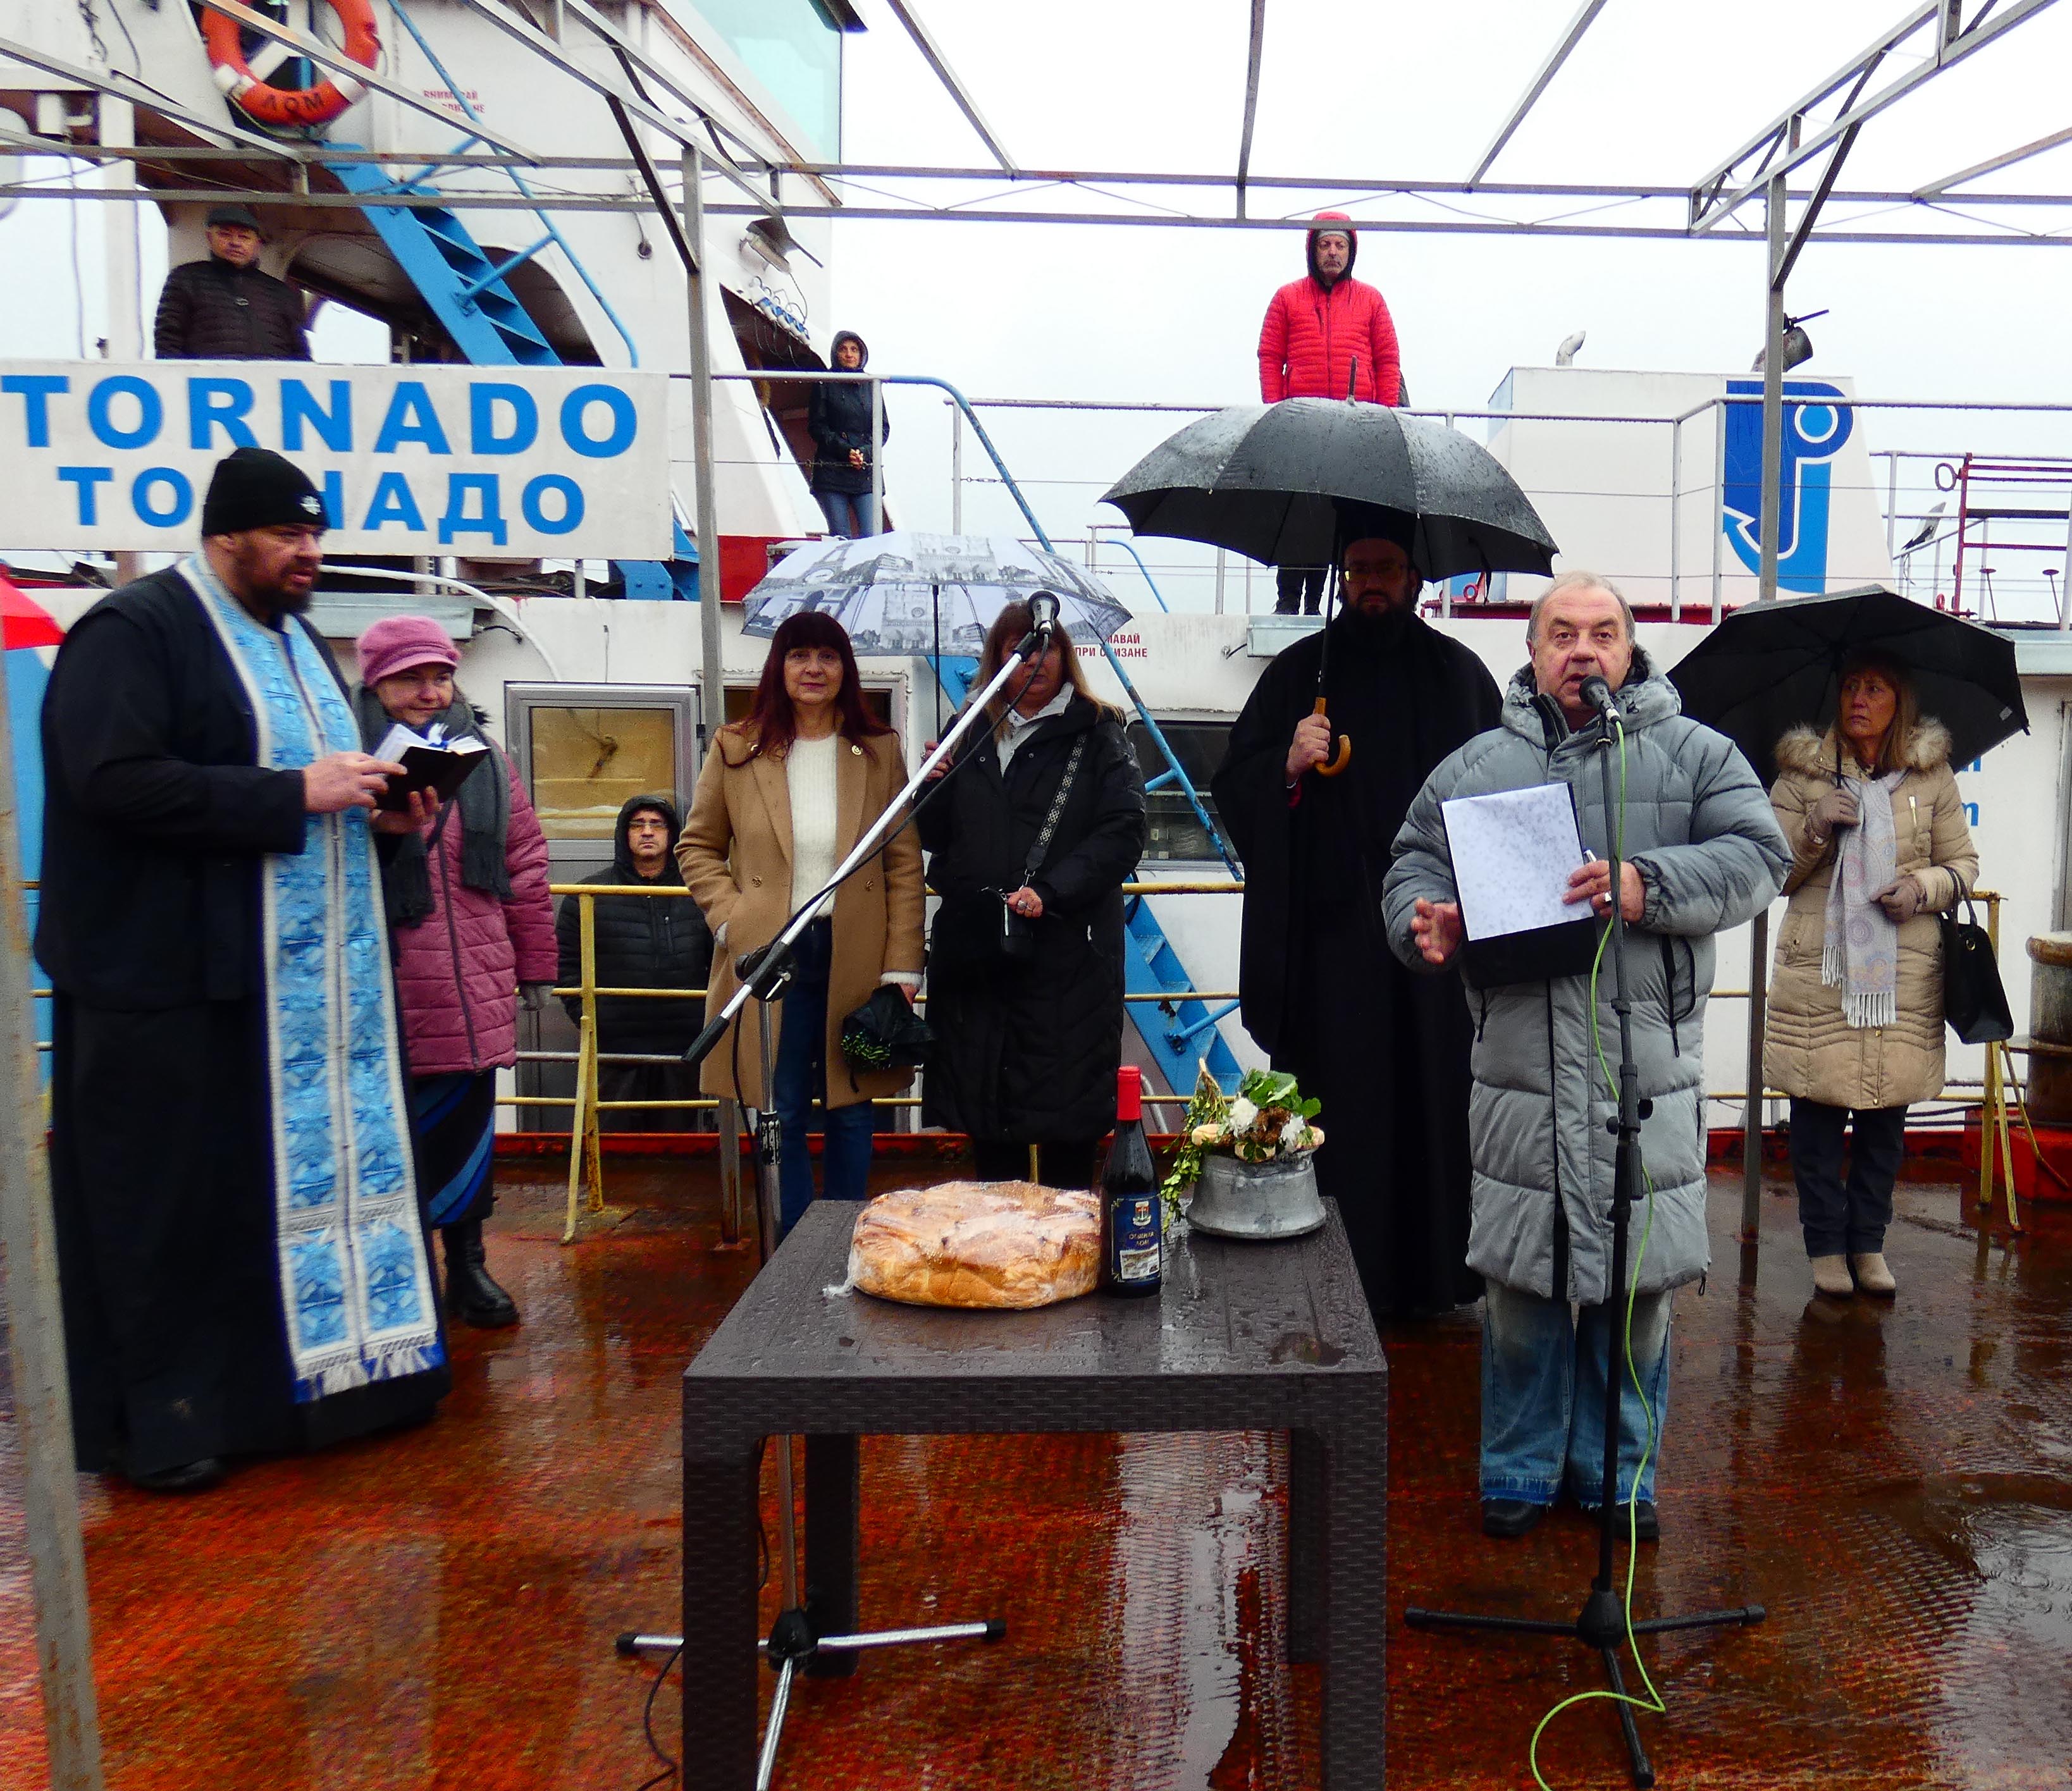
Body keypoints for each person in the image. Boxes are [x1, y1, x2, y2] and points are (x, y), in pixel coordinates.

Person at [40, 447, 448, 1492]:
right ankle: (170, 1422)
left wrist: (383, 817)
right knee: (168, 1214)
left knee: (258, 1201)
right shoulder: (131, 631)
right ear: (225, 534)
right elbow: (111, 782)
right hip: (169, 989)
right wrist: (291, 794)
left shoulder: (299, 639)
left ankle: (339, 1387)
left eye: (315, 535)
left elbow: (316, 795)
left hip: (292, 997)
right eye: (287, 536)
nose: (309, 553)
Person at [1385, 572, 1789, 1539]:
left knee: (1639, 1293)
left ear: (1629, 649)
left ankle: (1621, 1476)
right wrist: (1422, 920)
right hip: (1521, 1073)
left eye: (1602, 632)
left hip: (1648, 1074)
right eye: (1561, 633)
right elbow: (1413, 861)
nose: (1582, 650)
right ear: (1532, 653)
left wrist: (1649, 883)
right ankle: (1520, 1469)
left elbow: (1760, 857)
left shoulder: (1696, 754)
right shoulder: (1477, 765)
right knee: (1522, 1287)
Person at [1211, 529, 1501, 1319]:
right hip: (1332, 942)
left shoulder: (1460, 676)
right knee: (1344, 1110)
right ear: (1341, 578)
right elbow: (1236, 783)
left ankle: (1436, 1275)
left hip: (1434, 934)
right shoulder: (1299, 673)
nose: (1373, 583)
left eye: (1387, 570)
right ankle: (1336, 1268)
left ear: (1413, 578)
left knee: (1435, 1101)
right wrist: (1285, 764)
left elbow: (1500, 795)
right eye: (1359, 570)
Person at [677, 612, 925, 1232]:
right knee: (780, 1106)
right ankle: (790, 1247)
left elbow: (902, 863)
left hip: (854, 952)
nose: (813, 669)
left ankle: (842, 1238)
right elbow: (698, 846)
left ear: (846, 669)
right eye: (799, 656)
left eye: (828, 656)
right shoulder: (737, 747)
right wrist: (732, 919)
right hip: (770, 955)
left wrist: (903, 966)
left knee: (852, 1106)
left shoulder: (879, 750)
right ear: (778, 668)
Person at [355, 615, 557, 1329]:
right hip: (388, 975)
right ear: (376, 684)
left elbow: (524, 863)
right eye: (411, 678)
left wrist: (535, 962)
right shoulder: (348, 757)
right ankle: (398, 1273)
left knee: (467, 1132)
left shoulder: (485, 759)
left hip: (473, 979)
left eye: (441, 676)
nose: (431, 692)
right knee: (388, 1137)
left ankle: (466, 1264)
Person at [1764, 659, 1976, 1301]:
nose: (1858, 699)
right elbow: (1772, 872)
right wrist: (1814, 827)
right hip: (1820, 973)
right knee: (1817, 1121)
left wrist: (1920, 888)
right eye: (1851, 686)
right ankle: (1826, 1246)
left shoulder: (1931, 776)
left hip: (1901, 974)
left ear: (1898, 700)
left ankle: (1868, 1243)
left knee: (1886, 1118)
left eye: (1874, 688)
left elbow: (1962, 865)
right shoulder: (1802, 776)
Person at [918, 600, 1148, 1189]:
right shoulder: (968, 730)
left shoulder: (1099, 730)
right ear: (998, 659)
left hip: (1068, 963)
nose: (1036, 662)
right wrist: (931, 786)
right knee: (990, 1130)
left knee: (1068, 1131)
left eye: (1048, 649)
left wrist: (1051, 891)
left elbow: (1124, 831)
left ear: (1066, 657)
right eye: (1020, 651)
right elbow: (936, 837)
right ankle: (1001, 1241)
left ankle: (1067, 1240)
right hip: (981, 959)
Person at [1256, 212, 1403, 614]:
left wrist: (1382, 418)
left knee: (1343, 514)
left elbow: (1388, 361)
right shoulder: (1287, 297)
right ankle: (1288, 599)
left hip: (1355, 427)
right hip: (1300, 424)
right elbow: (1270, 356)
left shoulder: (1372, 300)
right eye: (1325, 244)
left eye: (1340, 245)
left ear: (1351, 251)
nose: (1333, 252)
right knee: (1299, 513)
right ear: (1312, 249)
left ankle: (1320, 603)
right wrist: (1278, 410)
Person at [557, 794, 715, 1131]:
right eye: (637, 825)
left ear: (672, 834)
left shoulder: (701, 893)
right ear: (623, 834)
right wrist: (594, 1023)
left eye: (657, 825)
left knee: (679, 1149)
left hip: (684, 1049)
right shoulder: (588, 895)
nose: (647, 832)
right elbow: (568, 968)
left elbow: (720, 964)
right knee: (614, 1149)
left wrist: (707, 1025)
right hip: (616, 1052)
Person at [153, 204, 312, 361]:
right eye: (225, 235)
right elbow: (168, 341)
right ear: (210, 238)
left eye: (244, 237)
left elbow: (300, 352)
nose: (235, 243)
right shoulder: (186, 278)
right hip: (207, 378)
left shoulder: (280, 292)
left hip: (273, 377)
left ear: (257, 243)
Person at [806, 331, 889, 538]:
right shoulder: (824, 383)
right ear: (835, 353)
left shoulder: (872, 384)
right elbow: (817, 427)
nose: (849, 354)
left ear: (862, 355)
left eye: (854, 349)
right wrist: (846, 451)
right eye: (843, 349)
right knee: (841, 538)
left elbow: (883, 428)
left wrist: (863, 452)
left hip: (865, 471)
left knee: (871, 537)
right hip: (832, 472)